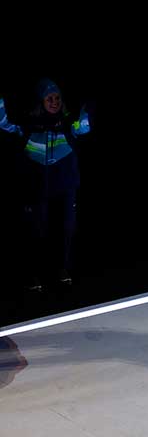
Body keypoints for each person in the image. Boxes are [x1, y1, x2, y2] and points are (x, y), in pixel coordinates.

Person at [0, 78, 91, 290]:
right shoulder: (27, 124)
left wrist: (88, 105)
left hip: (65, 184)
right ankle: (33, 274)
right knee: (36, 231)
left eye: (57, 98)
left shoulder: (69, 124)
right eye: (49, 98)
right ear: (41, 101)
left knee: (66, 229)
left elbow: (85, 127)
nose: (54, 101)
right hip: (37, 186)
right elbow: (3, 123)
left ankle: (62, 269)